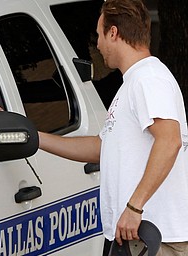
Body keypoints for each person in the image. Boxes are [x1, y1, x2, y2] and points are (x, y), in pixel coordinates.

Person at [38, 0, 188, 255]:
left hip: (157, 237)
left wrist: (134, 207)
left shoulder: (148, 78)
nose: (97, 45)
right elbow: (102, 146)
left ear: (113, 32)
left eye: (99, 35)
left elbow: (169, 140)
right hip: (138, 236)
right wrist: (33, 138)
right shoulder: (134, 82)